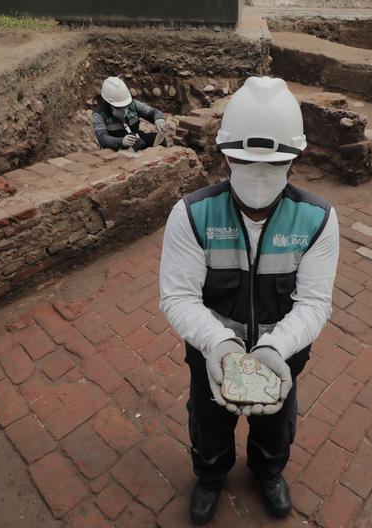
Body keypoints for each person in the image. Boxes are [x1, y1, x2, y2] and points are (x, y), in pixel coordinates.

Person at [159, 76, 339, 525]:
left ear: (295, 162)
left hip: (284, 356)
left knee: (276, 422)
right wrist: (218, 344)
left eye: (274, 164)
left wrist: (276, 348)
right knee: (208, 420)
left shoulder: (317, 220)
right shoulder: (192, 215)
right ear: (224, 156)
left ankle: (268, 472)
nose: (258, 175)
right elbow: (178, 296)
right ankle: (210, 475)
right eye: (243, 161)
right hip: (211, 355)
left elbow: (315, 302)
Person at [92, 76, 170, 151]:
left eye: (125, 106)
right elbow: (102, 138)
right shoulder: (99, 114)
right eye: (119, 107)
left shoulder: (133, 104)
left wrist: (159, 119)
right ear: (109, 103)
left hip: (136, 138)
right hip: (115, 147)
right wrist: (121, 141)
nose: (124, 110)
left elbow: (153, 112)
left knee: (159, 140)